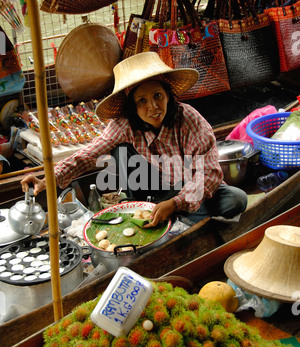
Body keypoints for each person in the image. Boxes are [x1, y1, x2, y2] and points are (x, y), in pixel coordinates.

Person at [21, 52, 247, 227]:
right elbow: (88, 154)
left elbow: (209, 175)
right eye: (142, 101)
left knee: (236, 199)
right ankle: (147, 208)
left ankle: (168, 212)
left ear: (167, 95)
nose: (153, 107)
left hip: (189, 187)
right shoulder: (124, 124)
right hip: (156, 185)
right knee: (119, 149)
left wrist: (176, 203)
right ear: (133, 106)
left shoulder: (190, 121)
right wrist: (48, 179)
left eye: (158, 96)